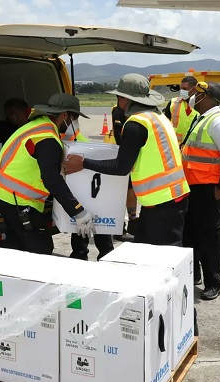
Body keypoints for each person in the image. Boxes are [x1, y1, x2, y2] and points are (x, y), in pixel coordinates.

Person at [64, 73, 189, 246]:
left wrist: (83, 163)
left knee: (165, 255)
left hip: (161, 201)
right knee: (148, 247)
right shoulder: (158, 117)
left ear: (125, 99)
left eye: (118, 97)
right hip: (171, 196)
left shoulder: (136, 124)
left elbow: (121, 167)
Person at [0, 93, 95, 254]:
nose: (75, 123)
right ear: (64, 116)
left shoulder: (39, 125)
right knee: (41, 247)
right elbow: (51, 179)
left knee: (19, 241)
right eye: (74, 118)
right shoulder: (47, 139)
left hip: (0, 190)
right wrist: (78, 211)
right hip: (14, 198)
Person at [181, 81, 220, 300]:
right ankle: (194, 274)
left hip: (211, 188)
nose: (192, 96)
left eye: (196, 93)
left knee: (210, 235)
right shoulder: (201, 118)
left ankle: (213, 281)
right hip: (194, 185)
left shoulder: (219, 122)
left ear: (207, 97)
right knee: (191, 231)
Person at [61, 127, 114, 261]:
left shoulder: (79, 145)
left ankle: (86, 257)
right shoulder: (70, 141)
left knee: (95, 235)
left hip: (89, 197)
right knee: (93, 235)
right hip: (90, 199)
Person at [111, 103, 137, 241]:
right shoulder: (118, 111)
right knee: (124, 192)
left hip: (132, 156)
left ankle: (132, 221)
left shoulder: (134, 110)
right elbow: (118, 136)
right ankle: (119, 226)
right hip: (122, 155)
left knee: (131, 190)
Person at [163, 76, 200, 143]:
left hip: (192, 146)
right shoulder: (173, 102)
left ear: (194, 89)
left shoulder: (202, 104)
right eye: (181, 89)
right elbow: (165, 124)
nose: (182, 91)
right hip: (175, 145)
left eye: (184, 89)